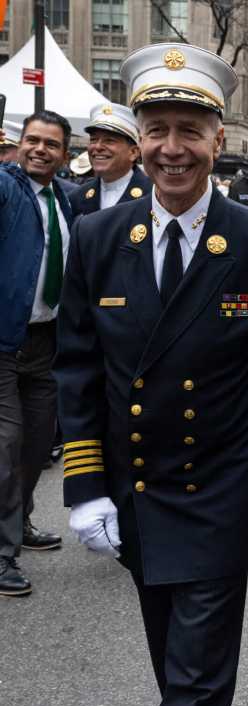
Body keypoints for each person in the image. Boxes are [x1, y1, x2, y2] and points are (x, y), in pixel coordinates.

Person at [54, 44, 248, 706]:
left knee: (186, 684)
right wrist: (84, 487)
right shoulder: (98, 240)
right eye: (155, 128)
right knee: (175, 657)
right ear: (139, 137)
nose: (171, 149)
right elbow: (78, 367)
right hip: (137, 491)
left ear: (217, 140)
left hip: (221, 491)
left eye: (188, 130)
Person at [0, 110, 75, 597]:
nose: (40, 149)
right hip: (4, 341)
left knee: (36, 444)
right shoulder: (7, 188)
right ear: (18, 143)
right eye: (32, 140)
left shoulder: (65, 200)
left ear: (65, 153)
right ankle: (2, 554)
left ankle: (19, 523)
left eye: (51, 143)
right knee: (5, 447)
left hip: (47, 344)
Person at [69, 103, 152, 217]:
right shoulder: (77, 197)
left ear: (133, 152)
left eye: (109, 140)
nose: (97, 147)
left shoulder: (154, 195)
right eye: (93, 140)